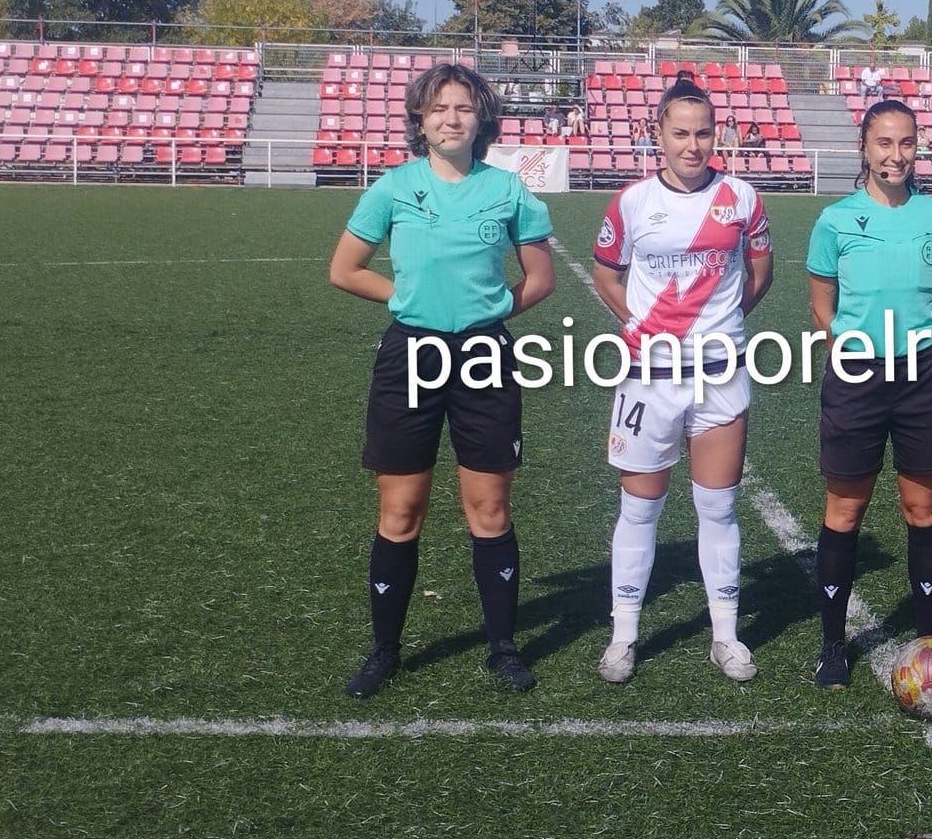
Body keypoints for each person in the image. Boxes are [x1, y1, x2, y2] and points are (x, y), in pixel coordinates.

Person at [328, 62, 556, 699]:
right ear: (420, 121)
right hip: (411, 355)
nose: (450, 118)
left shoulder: (509, 192)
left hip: (484, 358)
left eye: (462, 108)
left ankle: (503, 648)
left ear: (482, 119)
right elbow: (345, 269)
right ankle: (384, 651)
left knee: (488, 508)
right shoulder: (393, 187)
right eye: (437, 109)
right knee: (400, 511)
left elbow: (539, 280)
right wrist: (406, 298)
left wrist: (489, 312)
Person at [591, 81, 774, 684]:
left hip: (719, 375)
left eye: (702, 133)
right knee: (639, 512)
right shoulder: (633, 202)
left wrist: (719, 328)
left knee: (717, 509)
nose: (692, 145)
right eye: (680, 133)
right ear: (657, 135)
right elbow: (606, 274)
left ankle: (725, 637)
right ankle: (623, 638)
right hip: (649, 377)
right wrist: (640, 325)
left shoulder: (742, 197)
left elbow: (759, 272)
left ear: (715, 134)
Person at [806, 100, 932, 688]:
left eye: (905, 143)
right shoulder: (835, 219)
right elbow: (820, 300)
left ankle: (930, 642)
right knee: (845, 510)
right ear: (864, 148)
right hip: (856, 377)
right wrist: (847, 347)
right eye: (883, 143)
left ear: (916, 146)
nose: (894, 155)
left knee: (922, 508)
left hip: (923, 375)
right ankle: (832, 645)